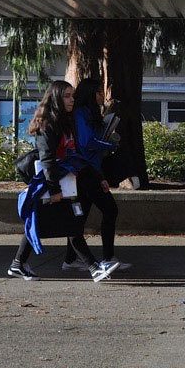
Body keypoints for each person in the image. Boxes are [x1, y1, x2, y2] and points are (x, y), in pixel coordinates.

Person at [7, 79, 119, 283]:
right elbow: (47, 158)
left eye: (73, 96)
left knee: (44, 222)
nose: (72, 100)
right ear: (56, 98)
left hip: (68, 178)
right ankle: (94, 269)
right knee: (71, 225)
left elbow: (76, 155)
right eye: (67, 96)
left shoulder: (64, 121)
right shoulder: (48, 124)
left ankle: (18, 264)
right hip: (55, 181)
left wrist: (98, 177)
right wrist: (54, 189)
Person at [61, 77, 128, 273]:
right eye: (99, 92)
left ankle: (71, 259)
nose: (102, 96)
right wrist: (110, 144)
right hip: (86, 171)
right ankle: (106, 257)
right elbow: (86, 142)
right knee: (109, 209)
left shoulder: (87, 113)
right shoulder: (82, 113)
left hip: (90, 170)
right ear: (91, 93)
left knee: (79, 218)